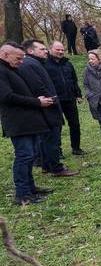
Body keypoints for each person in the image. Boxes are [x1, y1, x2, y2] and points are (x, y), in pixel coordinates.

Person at [0, 42, 54, 205]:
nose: (21, 61)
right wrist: (36, 102)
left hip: (29, 122)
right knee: (24, 156)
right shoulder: (1, 72)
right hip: (18, 123)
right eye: (18, 58)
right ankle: (22, 194)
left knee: (30, 156)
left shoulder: (10, 69)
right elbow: (7, 97)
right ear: (5, 54)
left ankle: (30, 188)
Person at [20, 39, 78, 177]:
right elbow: (38, 86)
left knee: (47, 137)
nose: (45, 51)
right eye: (42, 49)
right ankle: (56, 168)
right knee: (51, 137)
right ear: (30, 51)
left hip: (52, 102)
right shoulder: (30, 64)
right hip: (47, 104)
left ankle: (47, 165)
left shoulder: (36, 63)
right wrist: (50, 98)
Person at [44, 41, 85, 155]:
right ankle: (58, 151)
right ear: (50, 49)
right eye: (58, 49)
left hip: (70, 98)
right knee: (57, 127)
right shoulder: (45, 64)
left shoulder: (68, 64)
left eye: (62, 49)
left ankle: (76, 148)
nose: (61, 52)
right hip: (54, 100)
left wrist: (78, 94)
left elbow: (74, 80)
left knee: (75, 124)